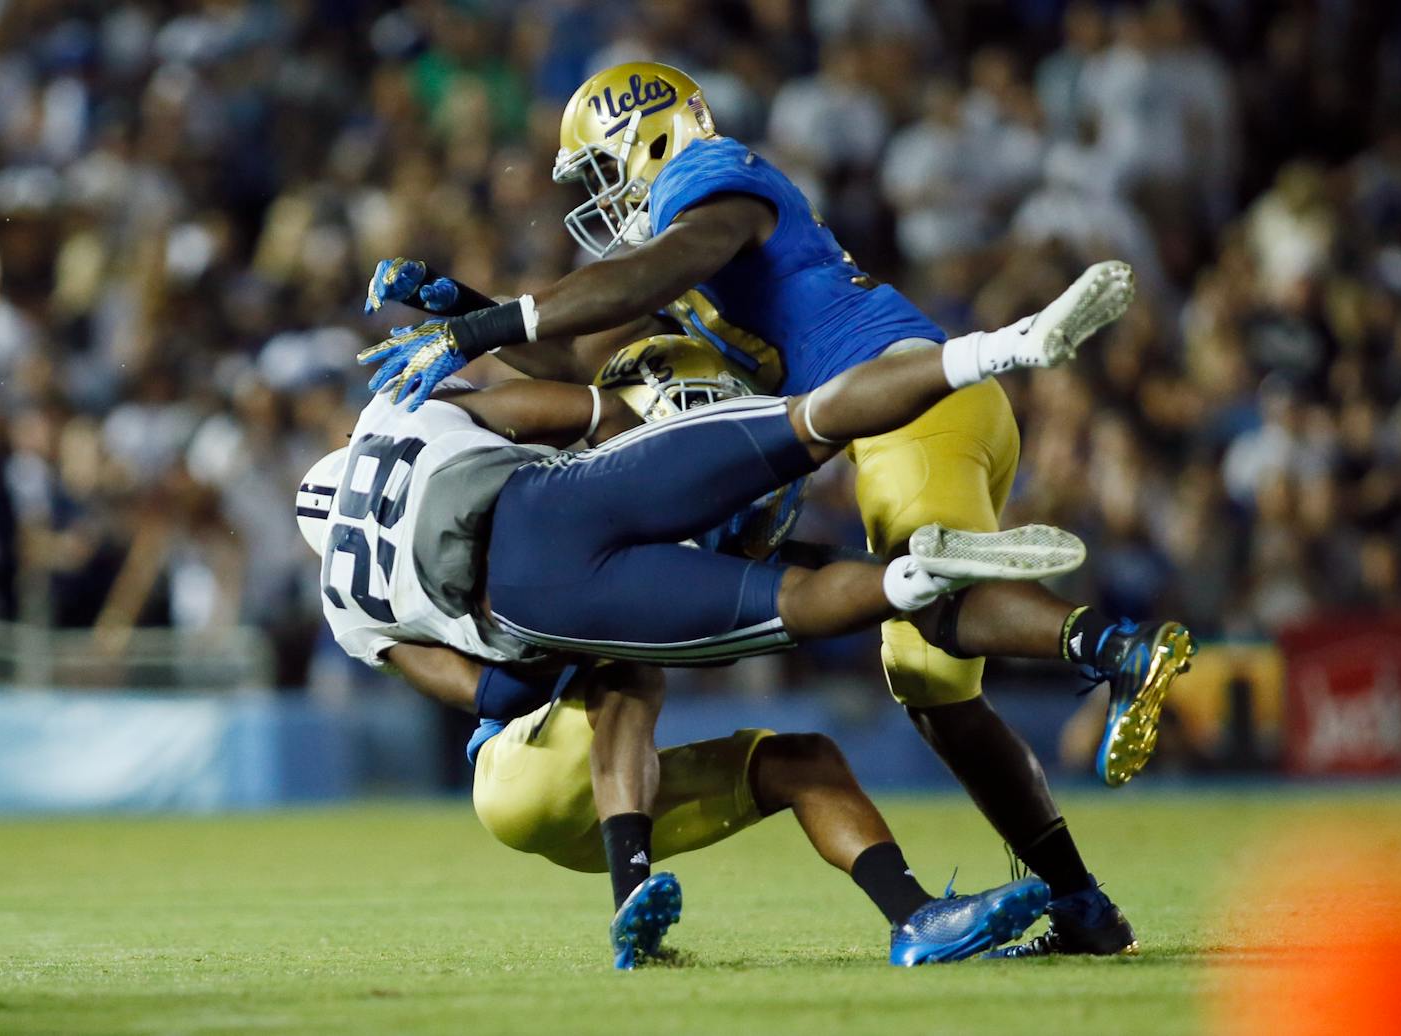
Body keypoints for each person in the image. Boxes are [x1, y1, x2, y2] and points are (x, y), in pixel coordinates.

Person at [358, 62, 1195, 957]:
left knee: (926, 607)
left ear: (649, 134)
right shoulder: (700, 300)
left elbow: (653, 274)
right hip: (913, 408)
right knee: (930, 682)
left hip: (908, 401)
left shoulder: (709, 178)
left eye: (603, 170)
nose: (604, 197)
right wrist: (465, 309)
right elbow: (595, 366)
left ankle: (1115, 648)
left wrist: (488, 330)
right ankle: (1080, 905)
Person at [343, 641, 1049, 970]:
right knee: (627, 656)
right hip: (521, 763)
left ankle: (915, 916)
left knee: (805, 761)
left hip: (598, 799)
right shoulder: (568, 511)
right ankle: (631, 898)